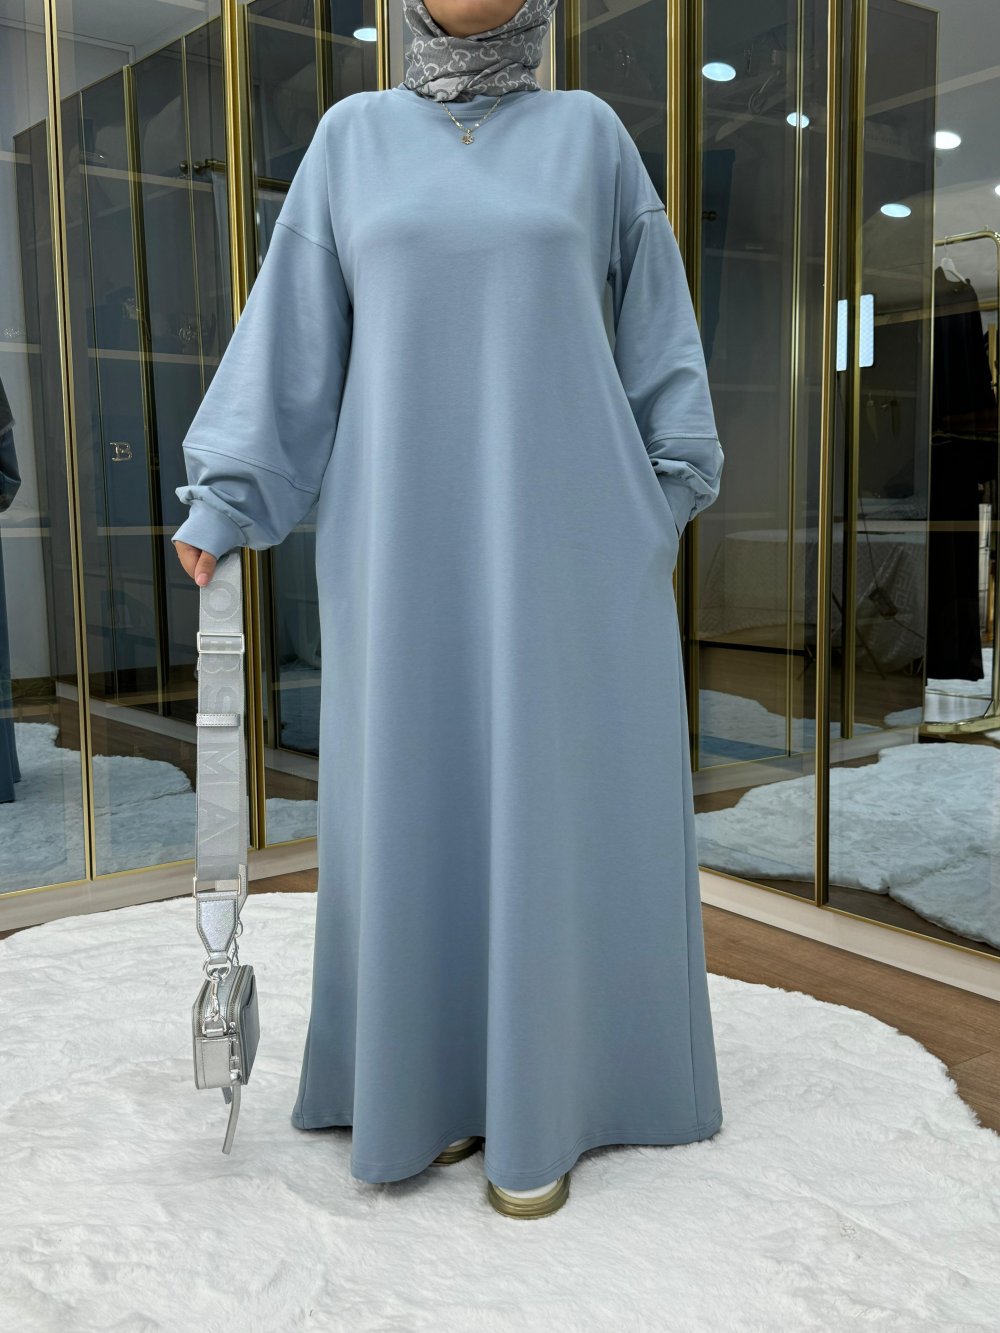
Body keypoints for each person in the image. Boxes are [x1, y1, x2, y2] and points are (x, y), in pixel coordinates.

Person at [173, 0, 725, 1221]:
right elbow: (291, 338)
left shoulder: (590, 136)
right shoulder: (351, 139)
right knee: (408, 796)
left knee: (558, 806)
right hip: (398, 540)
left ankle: (554, 1095)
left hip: (572, 548)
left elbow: (661, 349)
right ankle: (421, 1087)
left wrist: (657, 499)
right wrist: (227, 497)